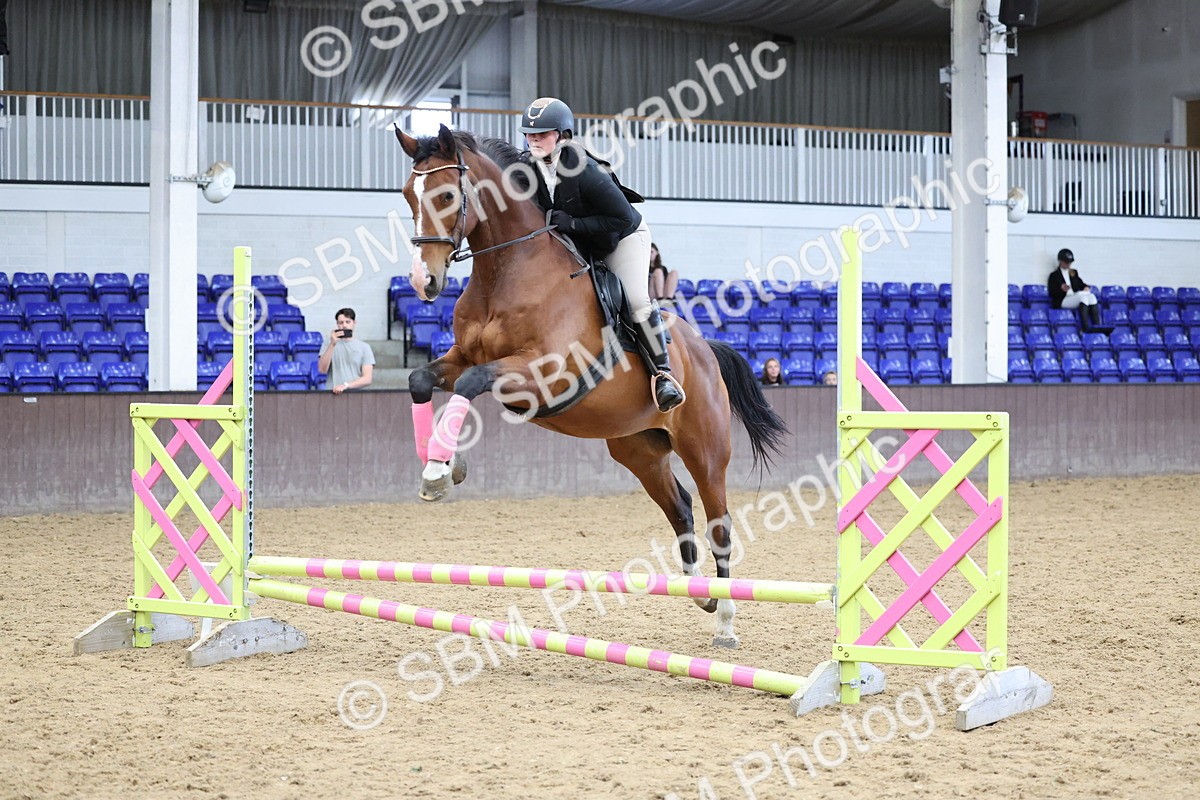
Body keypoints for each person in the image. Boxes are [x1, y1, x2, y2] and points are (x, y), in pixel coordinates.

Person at [519, 96, 685, 413]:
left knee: (636, 300)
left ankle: (664, 375)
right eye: (529, 133)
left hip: (622, 238)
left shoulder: (586, 171)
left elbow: (624, 217)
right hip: (582, 242)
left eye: (542, 133)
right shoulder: (530, 167)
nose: (533, 139)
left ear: (563, 135)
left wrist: (575, 223)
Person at [1047, 248, 1111, 333]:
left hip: (1074, 296)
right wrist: (1061, 289)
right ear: (1061, 261)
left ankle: (1097, 325)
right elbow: (1052, 292)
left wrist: (1086, 287)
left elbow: (1080, 283)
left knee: (1092, 297)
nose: (1069, 264)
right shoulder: (1054, 276)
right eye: (1066, 262)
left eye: (1069, 262)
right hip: (1063, 299)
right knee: (1083, 298)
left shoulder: (1073, 273)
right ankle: (1085, 327)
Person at [317, 307, 375, 394]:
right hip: (332, 393)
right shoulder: (328, 343)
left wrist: (346, 385)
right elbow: (322, 369)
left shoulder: (364, 347)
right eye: (341, 322)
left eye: (348, 322)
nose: (344, 325)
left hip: (355, 395)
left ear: (354, 323)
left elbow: (367, 378)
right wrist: (332, 344)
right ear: (337, 324)